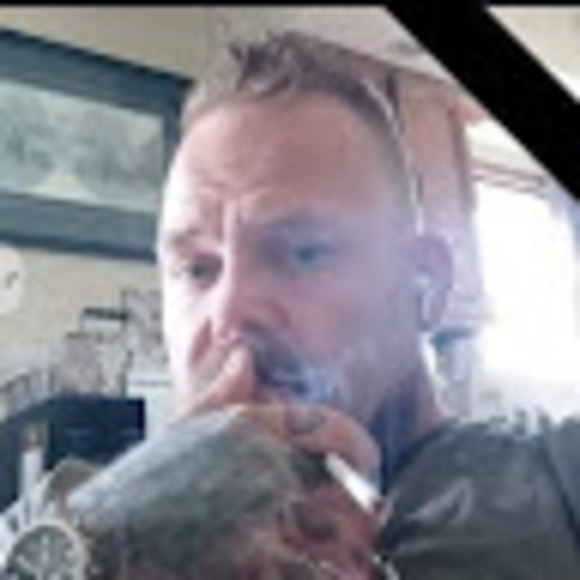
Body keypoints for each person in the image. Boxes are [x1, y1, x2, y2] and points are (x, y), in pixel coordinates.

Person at [2, 32, 580, 579]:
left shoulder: (561, 481)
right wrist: (122, 539)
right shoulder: (55, 519)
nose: (229, 314)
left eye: (303, 253)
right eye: (198, 269)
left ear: (424, 283)